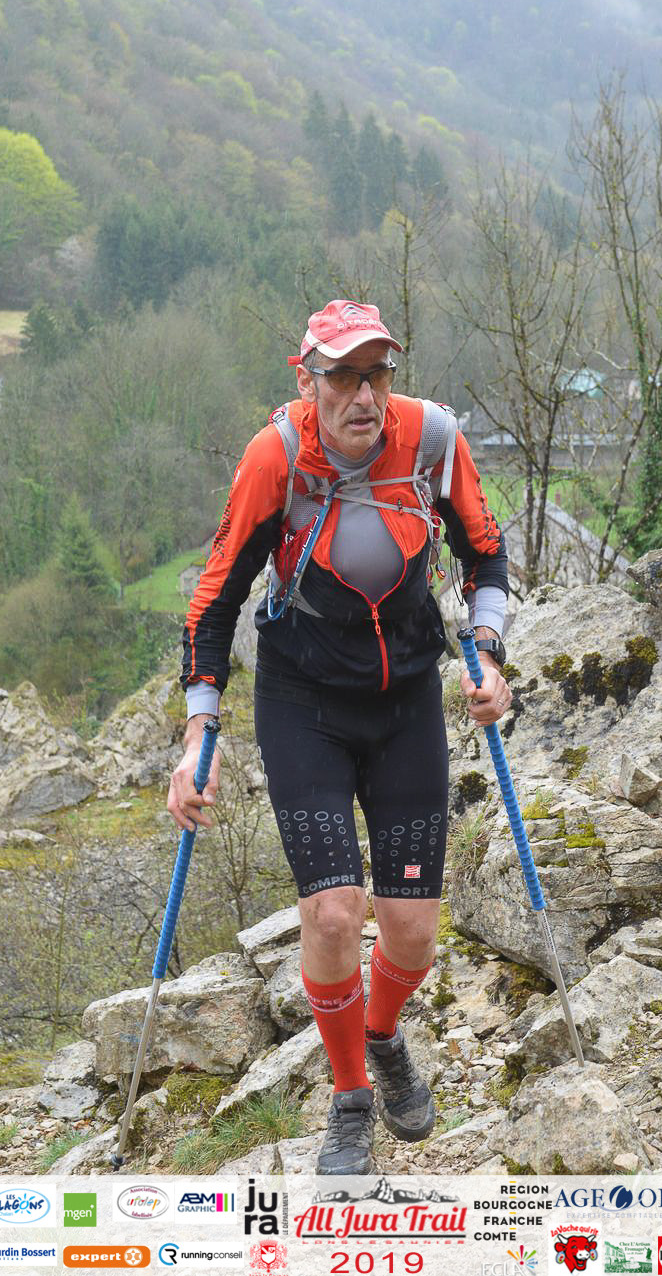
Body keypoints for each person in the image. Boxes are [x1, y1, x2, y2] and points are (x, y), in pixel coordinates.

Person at [168, 299, 511, 1174]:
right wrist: (199, 729)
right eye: (343, 376)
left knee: (412, 933)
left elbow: (484, 553)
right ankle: (350, 1097)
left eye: (377, 373)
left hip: (405, 701)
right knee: (331, 912)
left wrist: (486, 650)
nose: (363, 395)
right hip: (303, 704)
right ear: (307, 378)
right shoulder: (276, 456)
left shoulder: (431, 439)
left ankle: (383, 1034)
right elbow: (216, 595)